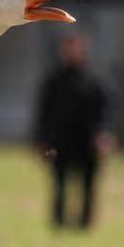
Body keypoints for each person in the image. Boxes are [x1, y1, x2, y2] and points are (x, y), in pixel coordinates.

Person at [34, 35, 114, 228]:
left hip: (87, 142)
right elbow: (42, 112)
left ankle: (84, 224)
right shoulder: (52, 81)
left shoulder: (96, 81)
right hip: (60, 142)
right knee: (59, 184)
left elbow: (106, 112)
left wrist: (104, 135)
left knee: (88, 186)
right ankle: (58, 222)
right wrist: (40, 139)